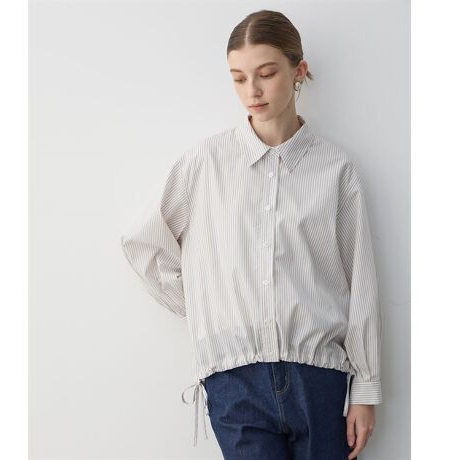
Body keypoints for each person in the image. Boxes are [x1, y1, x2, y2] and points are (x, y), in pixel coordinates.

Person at [120, 9, 382, 460]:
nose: (252, 91)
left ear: (298, 70)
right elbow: (143, 246)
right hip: (234, 379)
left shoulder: (336, 170)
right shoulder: (204, 164)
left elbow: (361, 285)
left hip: (319, 376)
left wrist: (366, 389)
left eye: (266, 74)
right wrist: (208, 308)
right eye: (238, 78)